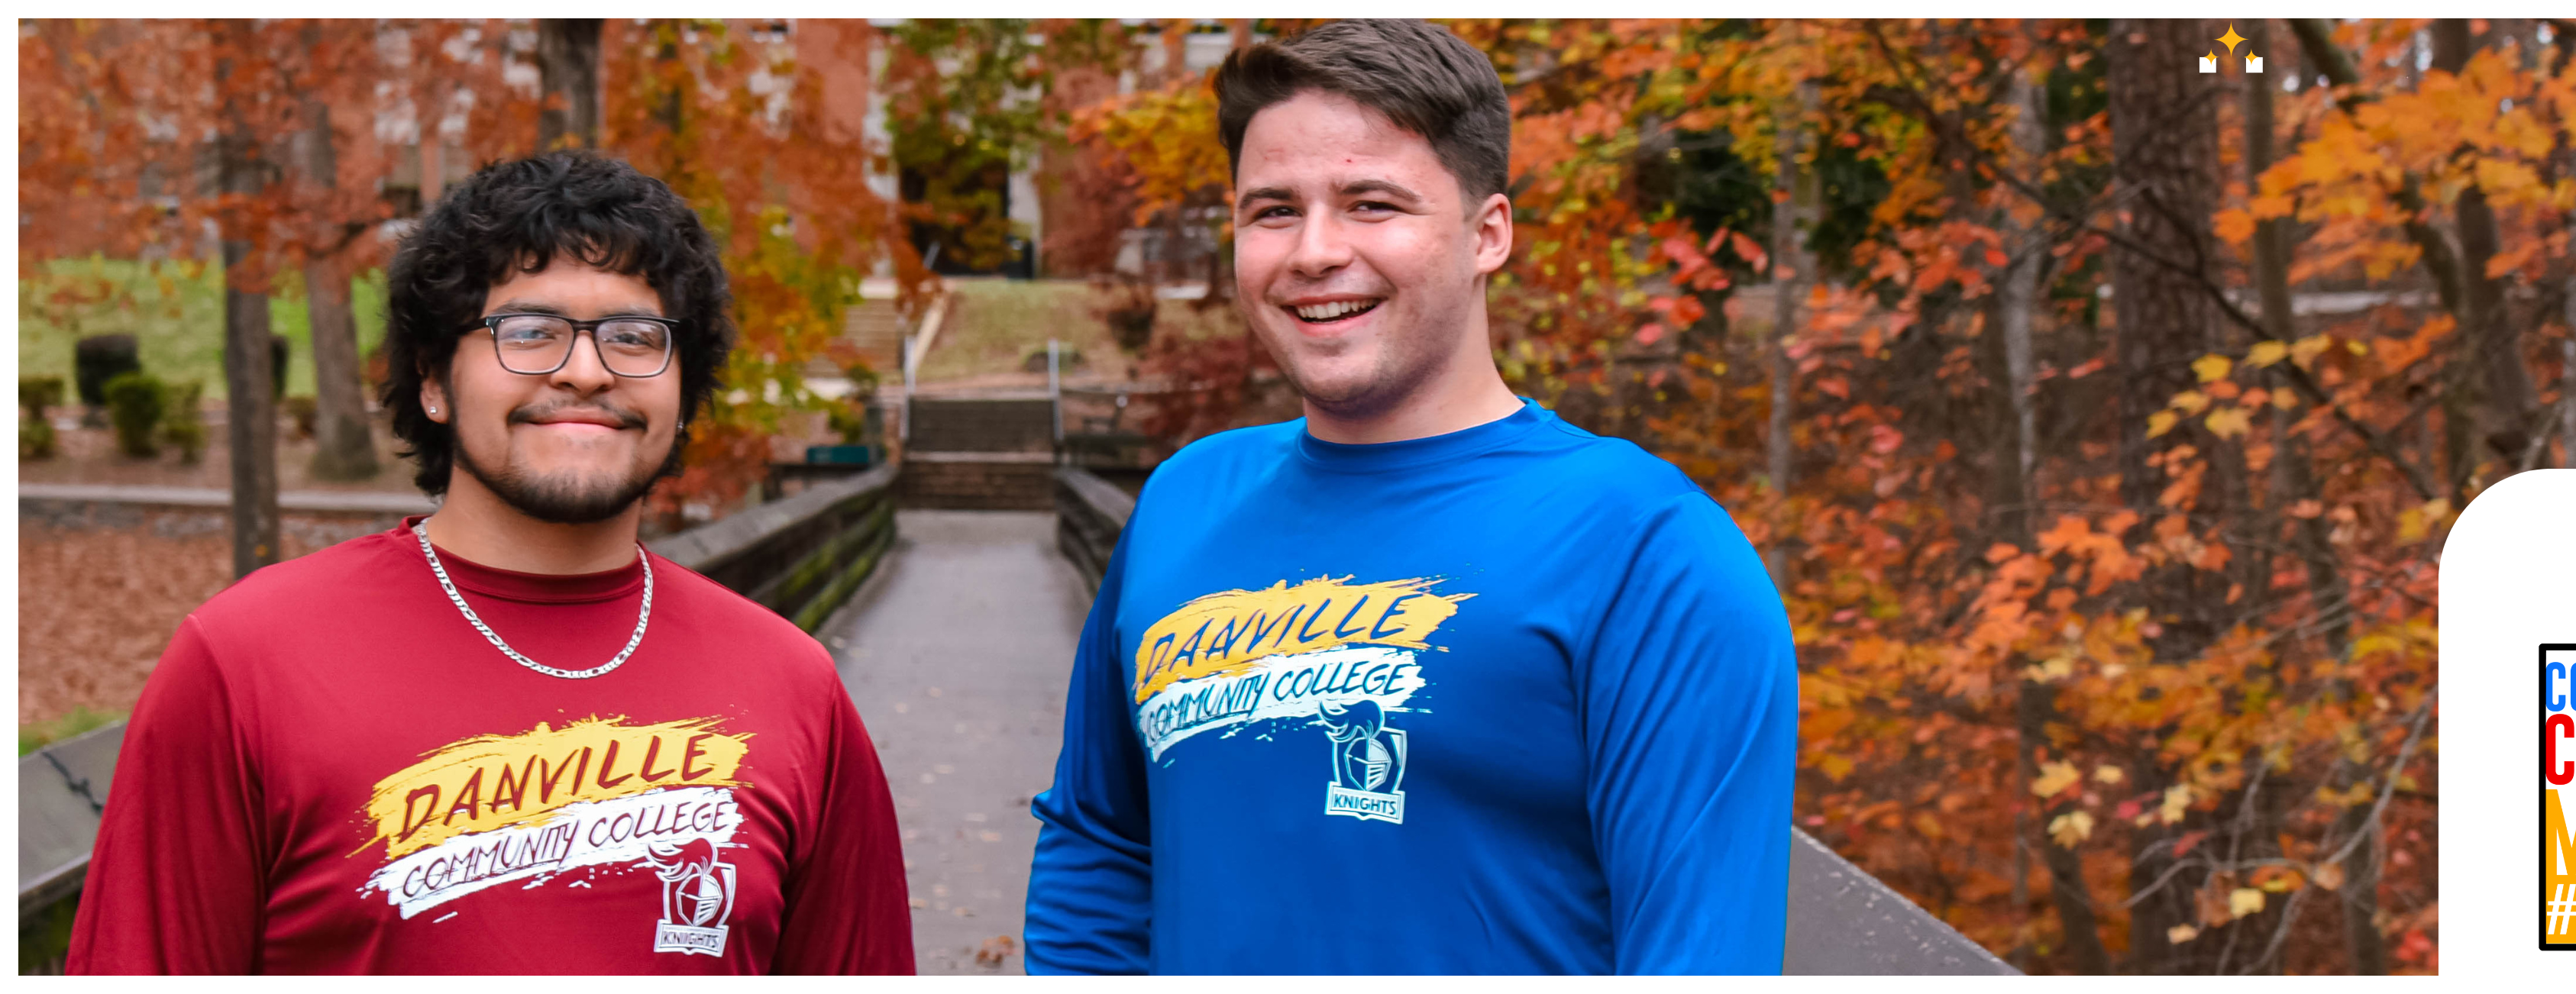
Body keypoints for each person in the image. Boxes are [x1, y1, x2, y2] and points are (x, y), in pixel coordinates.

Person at [1024, 19, 1796, 975]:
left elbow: (1701, 956)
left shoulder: (1645, 547)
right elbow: (1100, 844)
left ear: (1488, 234)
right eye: (1272, 211)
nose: (1313, 251)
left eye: (1371, 203)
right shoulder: (1187, 497)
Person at [68, 150, 914, 975]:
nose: (586, 371)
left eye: (632, 335)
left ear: (683, 390)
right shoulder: (247, 663)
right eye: (531, 331)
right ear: (434, 380)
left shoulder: (793, 686)